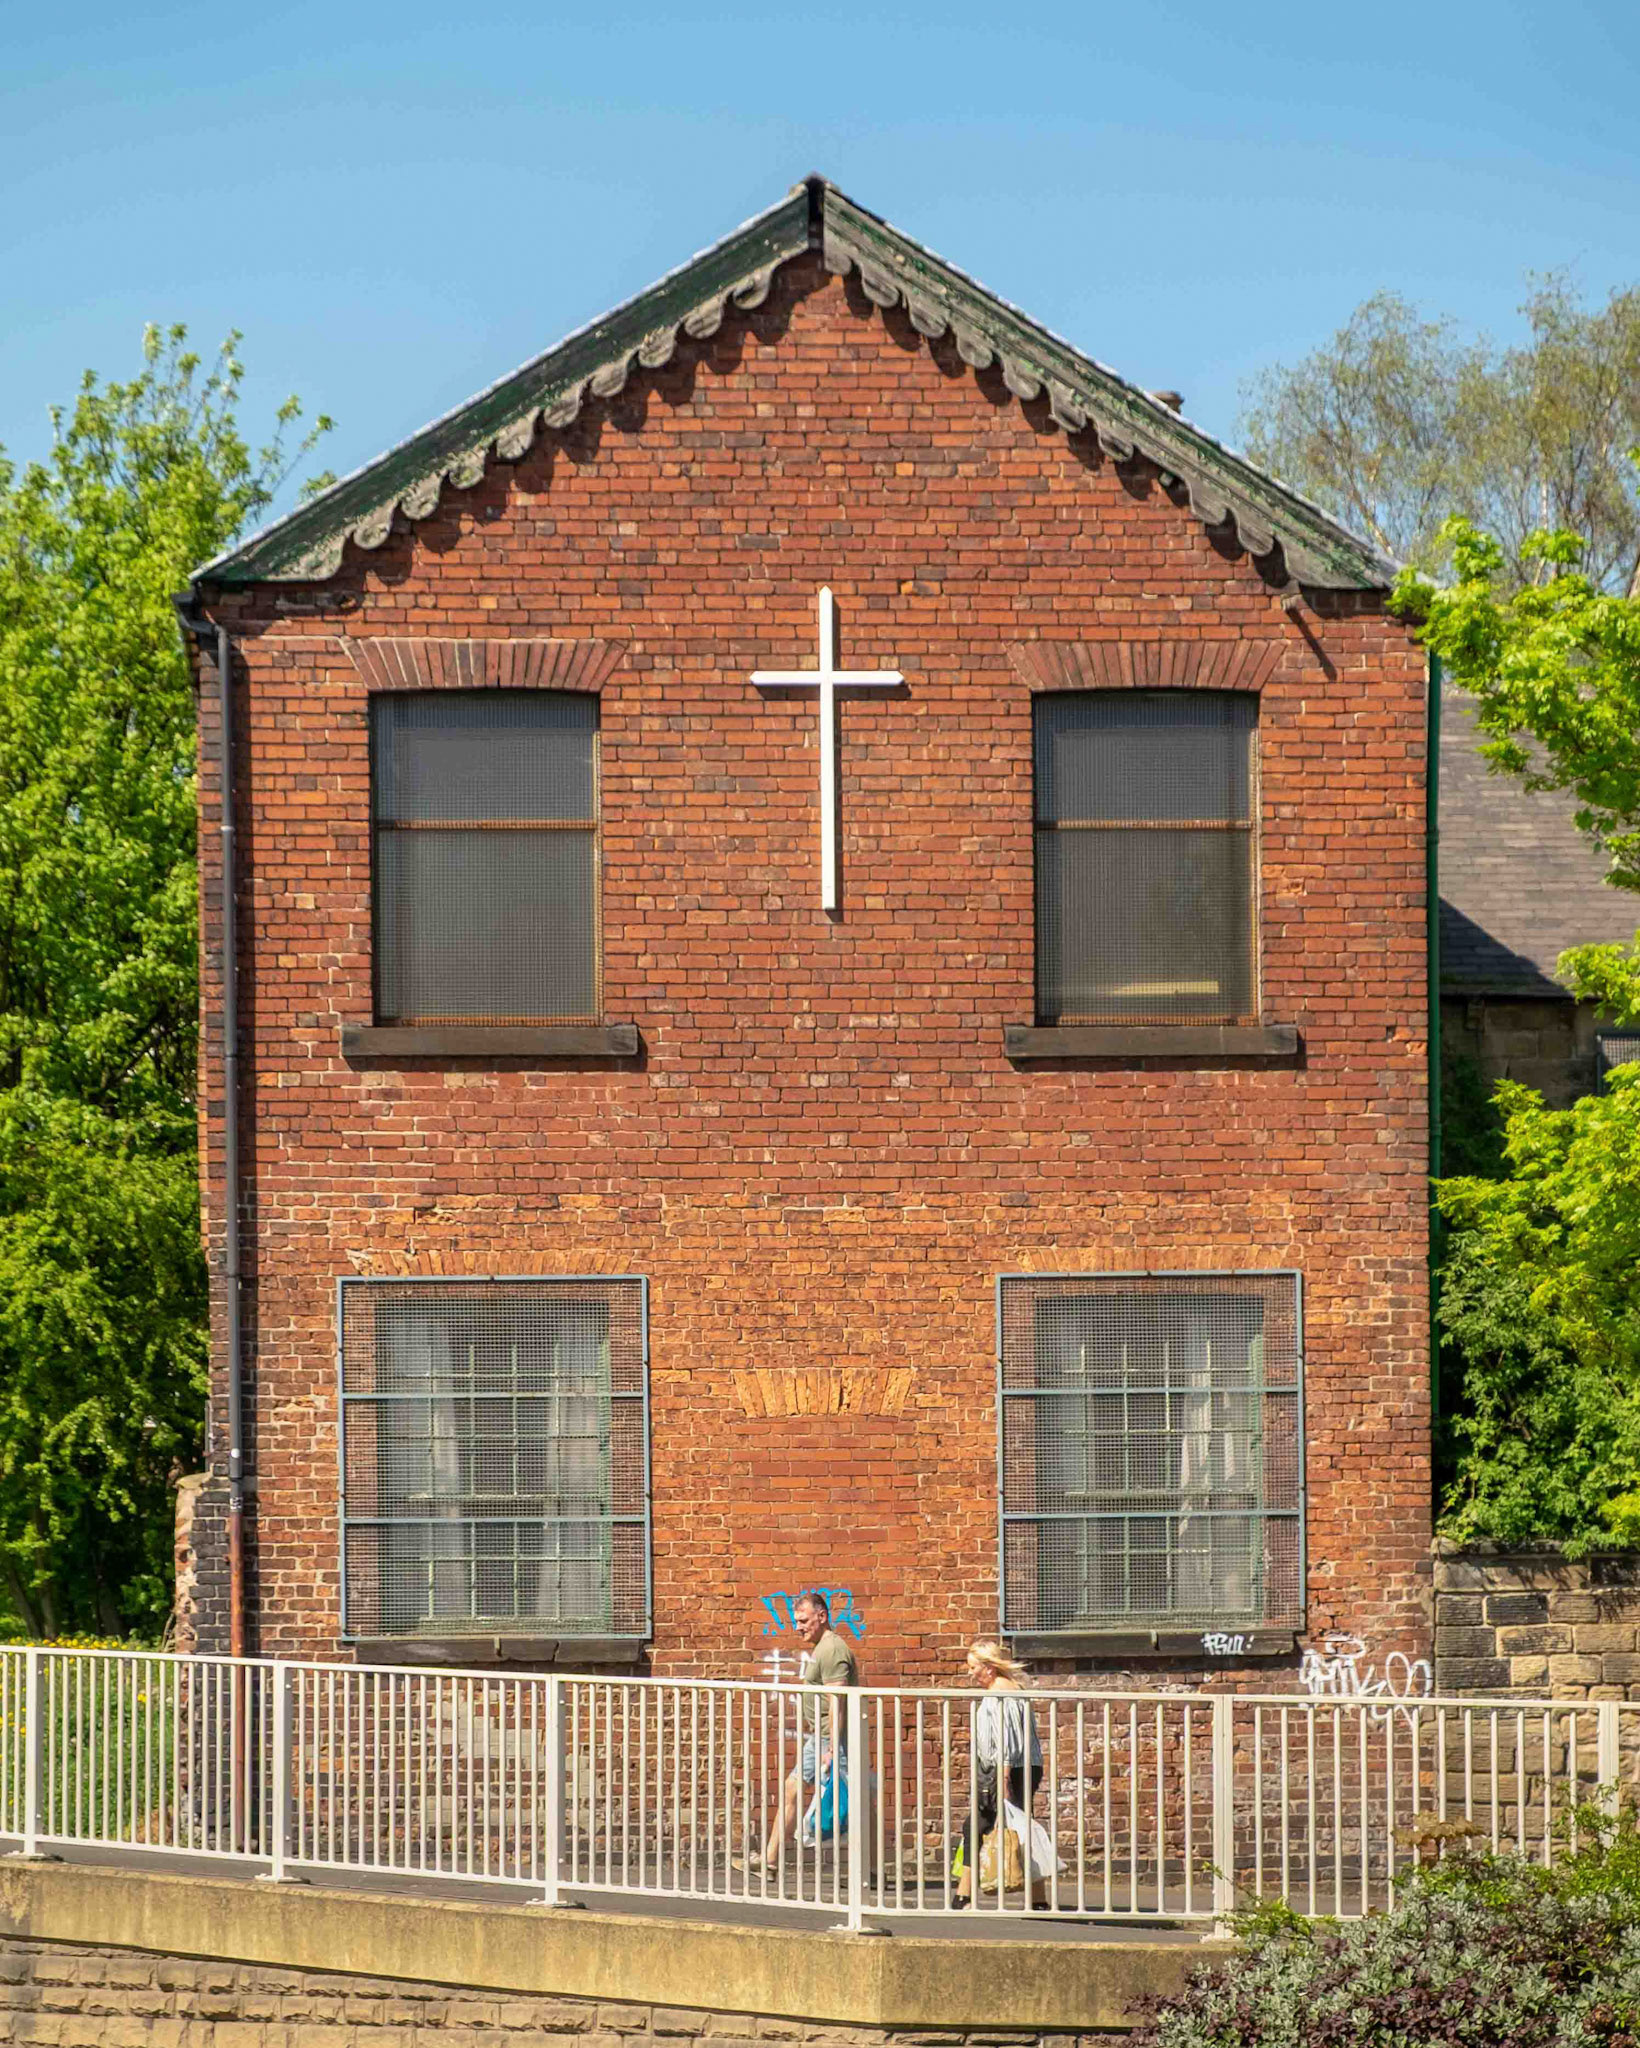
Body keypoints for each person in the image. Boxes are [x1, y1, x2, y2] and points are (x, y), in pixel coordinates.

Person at [750, 1590, 860, 1873]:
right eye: (796, 1621)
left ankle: (870, 1872)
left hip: (831, 1738)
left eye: (803, 1620)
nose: (797, 1627)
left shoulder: (832, 1649)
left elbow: (837, 1701)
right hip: (823, 1737)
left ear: (821, 1616)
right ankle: (769, 1861)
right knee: (793, 1789)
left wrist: (832, 1747)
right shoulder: (823, 1647)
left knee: (858, 1802)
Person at [952, 1639, 1042, 1906]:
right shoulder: (1009, 1689)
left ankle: (963, 1897)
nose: (970, 1673)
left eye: (973, 1667)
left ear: (989, 1668)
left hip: (1008, 1770)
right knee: (1017, 1827)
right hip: (1017, 1768)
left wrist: (1002, 1779)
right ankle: (1038, 1899)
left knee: (979, 1826)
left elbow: (1007, 1740)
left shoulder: (1000, 1694)